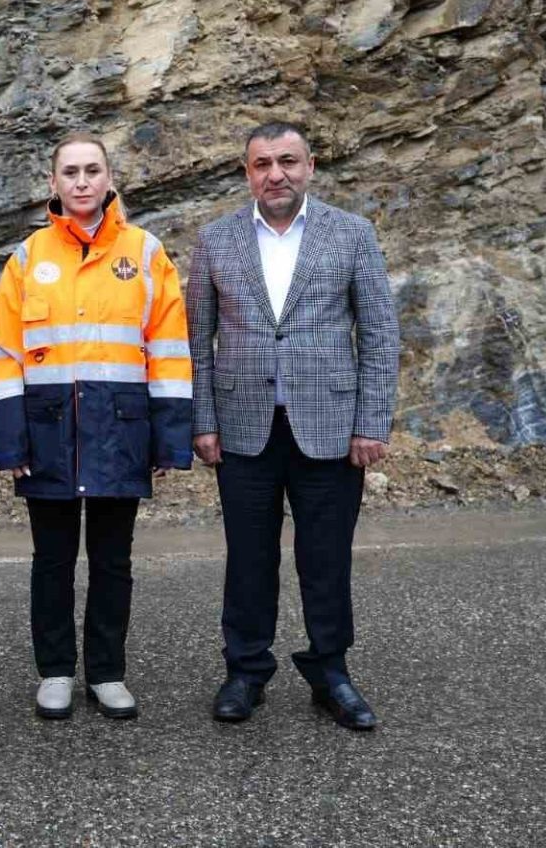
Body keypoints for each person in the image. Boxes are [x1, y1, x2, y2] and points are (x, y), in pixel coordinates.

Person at [186, 120, 399, 731]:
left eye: (287, 161)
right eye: (262, 164)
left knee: (325, 557)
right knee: (248, 559)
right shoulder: (216, 239)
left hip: (330, 424)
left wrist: (371, 423)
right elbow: (197, 341)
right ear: (247, 173)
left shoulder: (351, 234)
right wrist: (203, 419)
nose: (275, 174)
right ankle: (245, 671)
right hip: (243, 426)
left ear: (310, 166)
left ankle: (330, 671)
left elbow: (380, 334)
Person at [0, 134, 192, 721]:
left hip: (120, 431)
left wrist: (168, 436)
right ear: (52, 182)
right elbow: (3, 352)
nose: (81, 181)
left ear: (109, 179)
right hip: (47, 432)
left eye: (92, 170)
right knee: (51, 560)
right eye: (70, 172)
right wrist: (9, 438)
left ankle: (107, 673)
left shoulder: (145, 253)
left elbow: (169, 348)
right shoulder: (28, 258)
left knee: (112, 561)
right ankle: (54, 672)